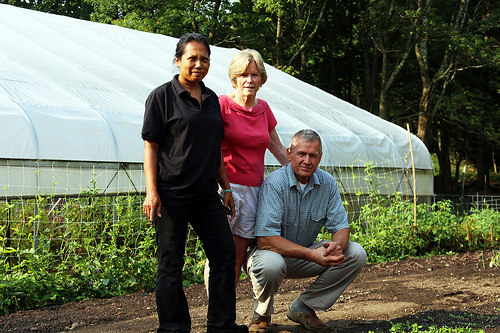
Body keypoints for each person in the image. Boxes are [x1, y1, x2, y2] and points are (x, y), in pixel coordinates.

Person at [141, 32, 246, 333]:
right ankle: (174, 328)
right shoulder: (162, 96)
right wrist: (152, 192)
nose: (199, 64)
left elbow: (215, 149)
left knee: (225, 254)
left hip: (205, 194)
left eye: (205, 59)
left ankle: (221, 325)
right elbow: (151, 146)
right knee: (171, 262)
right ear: (177, 61)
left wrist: (224, 187)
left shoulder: (212, 98)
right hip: (171, 193)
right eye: (192, 58)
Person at [245, 129, 367, 333]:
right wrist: (312, 254)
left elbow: (341, 228)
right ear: (290, 153)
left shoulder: (326, 182)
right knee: (271, 264)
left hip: (303, 255)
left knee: (355, 253)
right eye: (301, 154)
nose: (307, 160)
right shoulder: (275, 183)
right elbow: (266, 240)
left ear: (320, 158)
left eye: (313, 155)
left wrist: (336, 246)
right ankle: (261, 315)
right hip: (269, 255)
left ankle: (304, 308)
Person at [204, 49, 288, 288]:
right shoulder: (221, 105)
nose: (249, 80)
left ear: (261, 79)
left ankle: (226, 310)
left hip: (253, 192)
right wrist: (223, 187)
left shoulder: (264, 109)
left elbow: (278, 148)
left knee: (239, 254)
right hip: (225, 190)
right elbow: (210, 148)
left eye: (254, 75)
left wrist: (304, 174)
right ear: (234, 78)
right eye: (243, 75)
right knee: (220, 253)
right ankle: (216, 312)